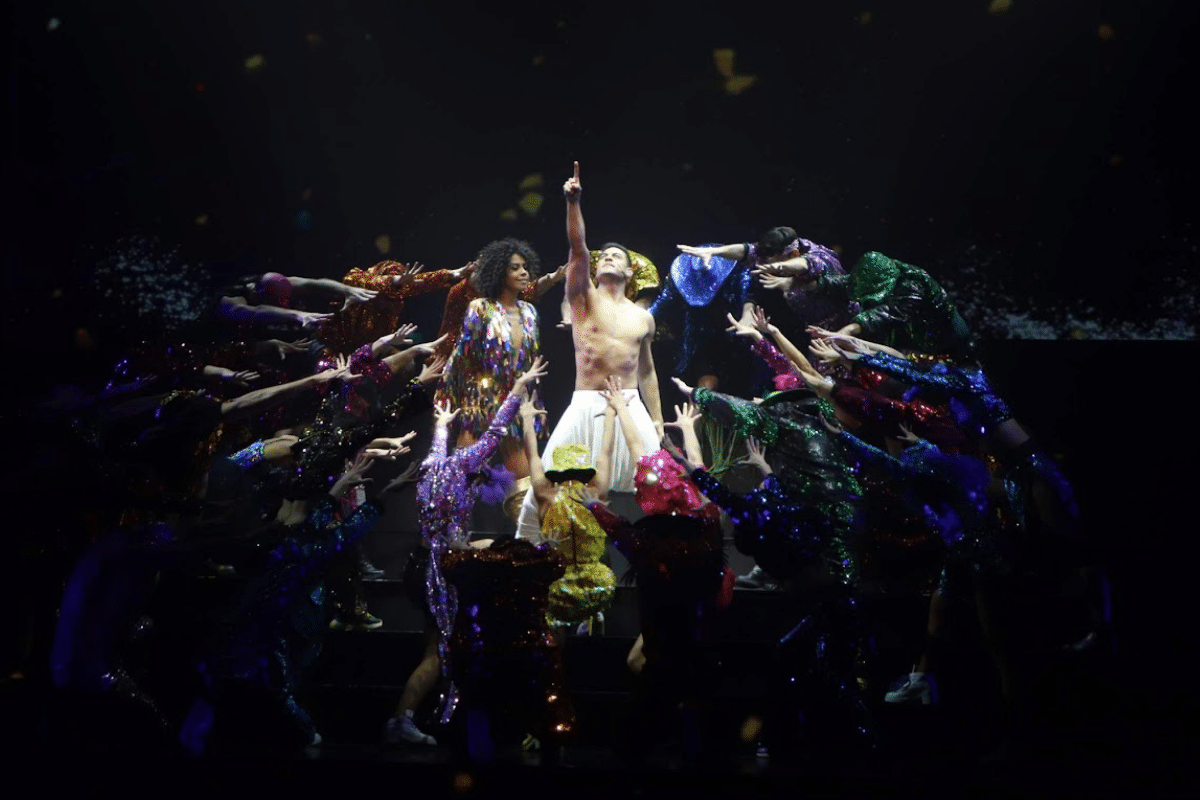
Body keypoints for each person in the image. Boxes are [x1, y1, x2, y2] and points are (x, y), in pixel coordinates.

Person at [515, 162, 663, 539]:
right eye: (604, 257)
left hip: (629, 404)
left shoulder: (643, 319)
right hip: (585, 402)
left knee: (661, 485)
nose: (608, 258)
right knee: (543, 487)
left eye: (618, 257)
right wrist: (573, 203)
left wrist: (658, 421)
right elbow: (577, 247)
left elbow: (646, 371)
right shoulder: (582, 300)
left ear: (631, 274)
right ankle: (528, 550)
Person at [435, 239, 550, 479]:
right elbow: (462, 359)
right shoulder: (480, 308)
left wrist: (537, 405)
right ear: (499, 272)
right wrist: (445, 401)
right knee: (462, 479)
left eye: (525, 267)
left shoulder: (530, 313)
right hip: (481, 405)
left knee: (525, 484)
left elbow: (531, 366)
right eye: (515, 267)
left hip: (517, 406)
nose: (523, 272)